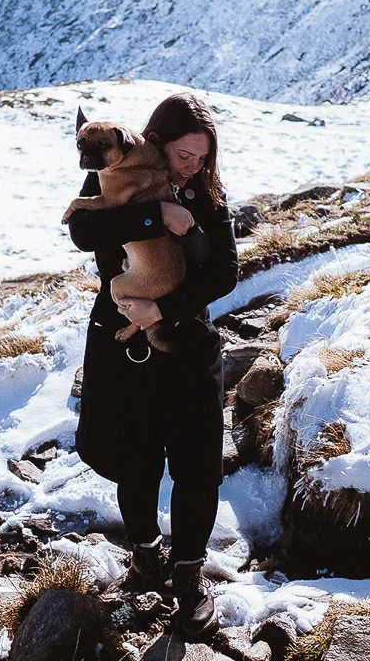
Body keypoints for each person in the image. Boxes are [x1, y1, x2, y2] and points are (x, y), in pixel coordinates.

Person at [67, 93, 238, 638]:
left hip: (186, 341)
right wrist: (154, 214)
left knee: (196, 464)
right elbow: (84, 232)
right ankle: (144, 554)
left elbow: (224, 274)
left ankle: (187, 575)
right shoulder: (114, 172)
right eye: (185, 155)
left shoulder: (207, 193)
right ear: (156, 142)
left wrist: (161, 305)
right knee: (136, 458)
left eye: (202, 158)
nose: (193, 167)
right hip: (125, 347)